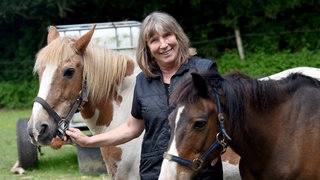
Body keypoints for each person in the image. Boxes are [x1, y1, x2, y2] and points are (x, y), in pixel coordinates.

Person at [66, 11, 223, 180]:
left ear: (177, 36)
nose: (163, 45)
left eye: (167, 35)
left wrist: (219, 147)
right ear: (147, 47)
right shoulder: (143, 80)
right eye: (154, 40)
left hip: (198, 171)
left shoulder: (204, 71)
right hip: (154, 171)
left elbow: (230, 116)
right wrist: (89, 141)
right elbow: (132, 128)